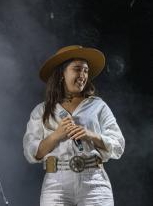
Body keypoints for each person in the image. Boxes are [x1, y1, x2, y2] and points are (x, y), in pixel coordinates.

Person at [23, 45, 125, 206]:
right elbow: (32, 152)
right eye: (77, 69)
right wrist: (57, 135)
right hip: (56, 185)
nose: (83, 75)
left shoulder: (98, 106)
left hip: (94, 182)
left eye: (85, 70)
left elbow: (118, 144)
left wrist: (90, 134)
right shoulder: (42, 110)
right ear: (62, 74)